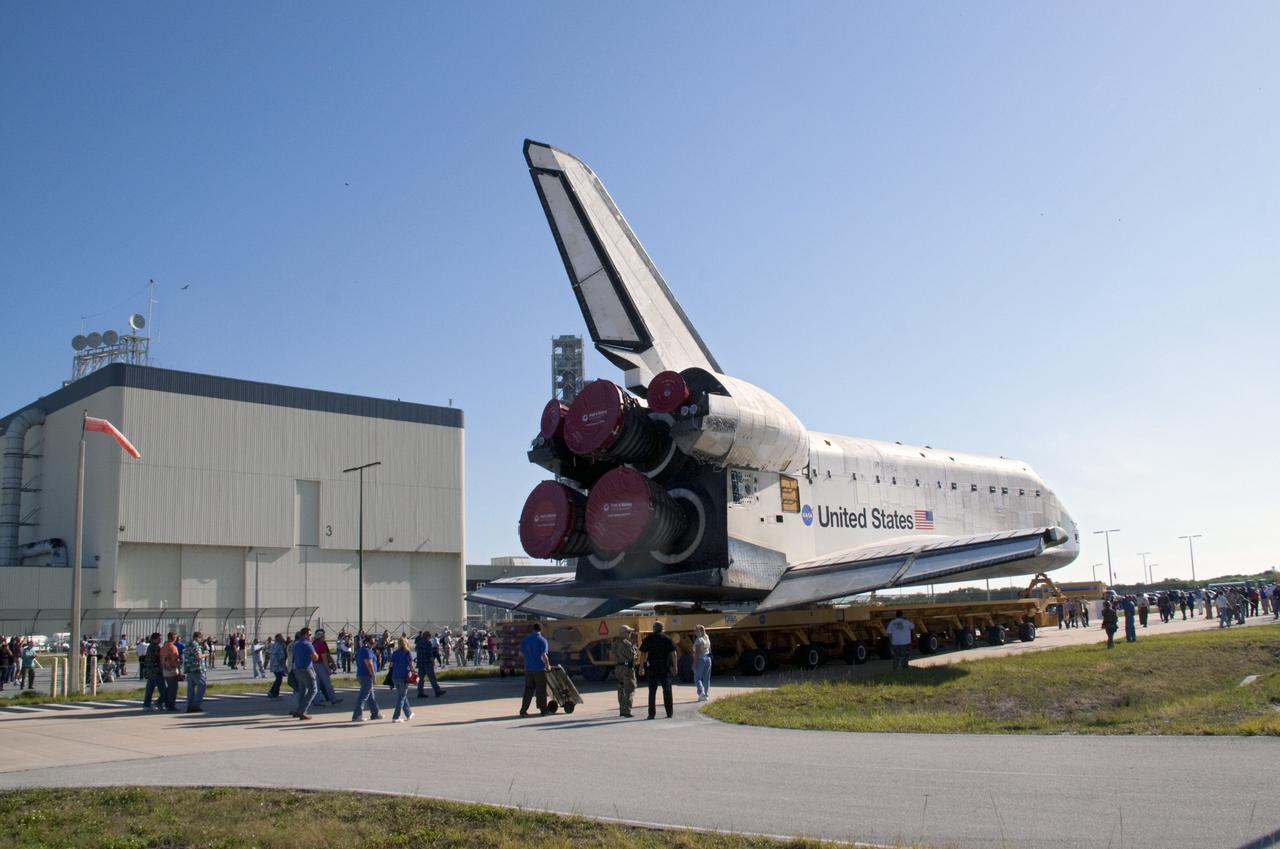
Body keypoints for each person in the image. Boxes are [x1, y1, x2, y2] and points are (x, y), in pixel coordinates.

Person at [639, 621, 678, 719]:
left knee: (652, 691)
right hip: (665, 667)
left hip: (653, 667)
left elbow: (643, 654)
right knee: (667, 690)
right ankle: (669, 713)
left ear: (654, 628)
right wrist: (675, 666)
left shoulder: (648, 639)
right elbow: (674, 654)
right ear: (662, 628)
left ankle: (651, 714)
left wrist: (641, 667)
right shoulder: (667, 638)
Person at [518, 623, 550, 717]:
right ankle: (543, 710)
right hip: (539, 669)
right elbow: (544, 656)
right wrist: (548, 665)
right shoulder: (542, 640)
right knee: (541, 690)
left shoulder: (525, 640)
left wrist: (528, 658)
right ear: (541, 630)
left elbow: (520, 654)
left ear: (533, 629)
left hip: (528, 669)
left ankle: (523, 711)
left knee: (528, 690)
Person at [351, 635, 382, 722]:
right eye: (371, 643)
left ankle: (376, 713)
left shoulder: (366, 650)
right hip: (366, 676)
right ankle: (357, 715)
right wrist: (373, 676)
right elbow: (369, 664)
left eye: (374, 642)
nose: (373, 644)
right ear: (366, 642)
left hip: (363, 675)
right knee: (363, 696)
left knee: (371, 696)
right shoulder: (366, 651)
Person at [290, 627, 319, 720]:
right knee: (313, 690)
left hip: (297, 670)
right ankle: (301, 711)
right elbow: (315, 657)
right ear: (305, 635)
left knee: (302, 691)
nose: (311, 637)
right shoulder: (308, 644)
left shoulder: (296, 644)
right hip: (307, 669)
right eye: (310, 635)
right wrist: (316, 655)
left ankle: (299, 709)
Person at [613, 625, 638, 717]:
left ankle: (622, 709)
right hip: (627, 669)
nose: (630, 634)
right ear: (624, 633)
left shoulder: (615, 643)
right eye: (629, 632)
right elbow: (632, 656)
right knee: (630, 689)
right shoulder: (627, 644)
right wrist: (634, 648)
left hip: (618, 668)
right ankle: (627, 710)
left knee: (620, 689)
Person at [311, 629, 341, 705]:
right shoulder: (322, 644)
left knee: (316, 684)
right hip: (321, 664)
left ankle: (316, 701)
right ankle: (333, 699)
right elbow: (324, 657)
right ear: (321, 637)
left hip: (314, 665)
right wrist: (328, 669)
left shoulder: (314, 644)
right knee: (327, 683)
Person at [389, 636, 415, 723]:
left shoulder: (395, 653)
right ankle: (395, 717)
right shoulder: (407, 653)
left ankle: (408, 713)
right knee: (402, 697)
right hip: (403, 677)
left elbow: (391, 665)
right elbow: (411, 666)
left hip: (395, 677)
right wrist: (414, 673)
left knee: (402, 695)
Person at [415, 630, 445, 699]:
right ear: (428, 637)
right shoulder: (428, 643)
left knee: (421, 679)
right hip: (427, 663)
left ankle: (420, 692)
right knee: (432, 678)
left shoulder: (419, 643)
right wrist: (433, 662)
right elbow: (430, 654)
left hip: (420, 663)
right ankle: (437, 691)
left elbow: (417, 651)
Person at [183, 630, 207, 712]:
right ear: (198, 638)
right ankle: (196, 705)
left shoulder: (187, 644)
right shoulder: (195, 645)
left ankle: (189, 706)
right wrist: (206, 654)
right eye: (201, 638)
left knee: (190, 690)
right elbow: (198, 656)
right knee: (202, 686)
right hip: (196, 669)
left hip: (189, 669)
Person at [140, 632, 163, 708]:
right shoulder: (156, 647)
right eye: (159, 638)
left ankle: (146, 705)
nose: (160, 640)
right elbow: (159, 658)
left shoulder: (150, 646)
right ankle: (159, 702)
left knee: (149, 689)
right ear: (154, 639)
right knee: (163, 690)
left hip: (151, 670)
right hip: (156, 671)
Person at [159, 632, 181, 711]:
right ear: (174, 638)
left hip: (165, 669)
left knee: (169, 688)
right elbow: (176, 660)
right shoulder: (173, 647)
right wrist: (180, 671)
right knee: (173, 688)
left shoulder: (163, 647)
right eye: (176, 638)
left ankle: (165, 702)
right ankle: (171, 705)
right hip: (172, 669)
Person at [692, 624, 713, 702]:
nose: (695, 632)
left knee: (697, 677)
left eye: (696, 631)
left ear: (700, 631)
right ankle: (706, 695)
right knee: (706, 678)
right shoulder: (707, 639)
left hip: (701, 659)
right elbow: (710, 650)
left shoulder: (699, 640)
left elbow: (697, 652)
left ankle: (701, 693)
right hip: (708, 658)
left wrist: (694, 663)